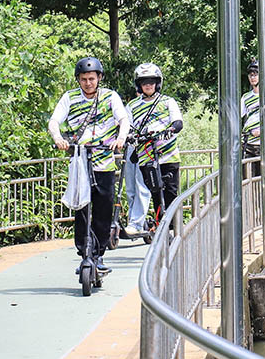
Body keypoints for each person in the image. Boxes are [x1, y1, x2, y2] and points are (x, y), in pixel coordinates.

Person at [49, 57, 129, 275]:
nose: (88, 83)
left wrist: (120, 139)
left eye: (92, 79)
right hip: (79, 159)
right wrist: (58, 138)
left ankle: (99, 253)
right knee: (81, 207)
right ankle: (84, 251)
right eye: (83, 79)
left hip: (104, 160)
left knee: (103, 207)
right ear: (78, 80)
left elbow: (123, 120)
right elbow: (54, 121)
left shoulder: (110, 97)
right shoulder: (70, 97)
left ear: (99, 78)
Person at [125, 63, 184, 233]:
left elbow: (177, 121)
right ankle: (161, 228)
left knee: (170, 192)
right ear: (139, 85)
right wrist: (129, 136)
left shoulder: (167, 101)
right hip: (146, 157)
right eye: (144, 82)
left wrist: (171, 130)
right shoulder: (133, 106)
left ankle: (174, 228)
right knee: (155, 194)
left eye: (152, 81)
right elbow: (127, 126)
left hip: (168, 155)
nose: (148, 85)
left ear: (158, 83)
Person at [240, 59, 265, 176]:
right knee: (246, 178)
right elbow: (239, 116)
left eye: (256, 74)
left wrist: (262, 130)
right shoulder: (245, 97)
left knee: (262, 177)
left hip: (263, 143)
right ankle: (248, 195)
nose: (253, 77)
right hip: (248, 143)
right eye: (250, 75)